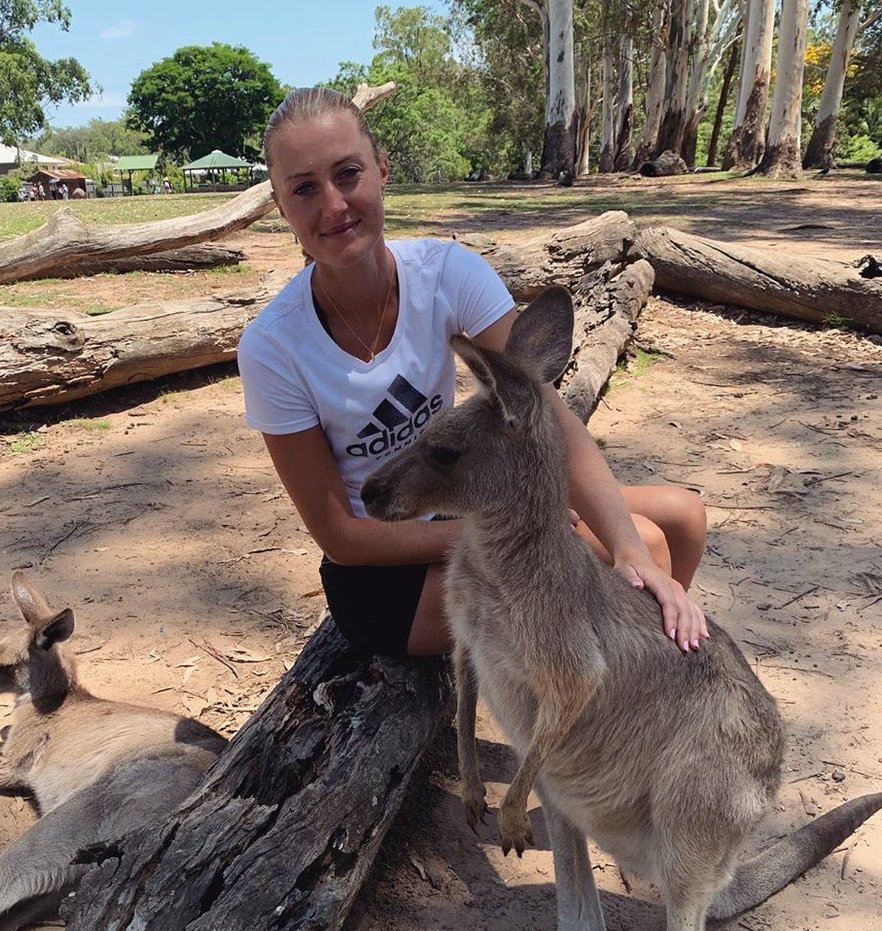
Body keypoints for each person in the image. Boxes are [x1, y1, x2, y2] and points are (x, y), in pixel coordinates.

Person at [237, 87, 708, 659]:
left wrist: (623, 545)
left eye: (348, 173)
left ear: (382, 171)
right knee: (647, 546)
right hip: (385, 571)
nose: (333, 205)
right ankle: (615, 709)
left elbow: (546, 414)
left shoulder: (445, 273)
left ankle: (649, 668)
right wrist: (522, 527)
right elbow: (342, 539)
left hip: (456, 498)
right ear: (282, 207)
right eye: (305, 188)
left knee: (681, 520)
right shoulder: (273, 346)